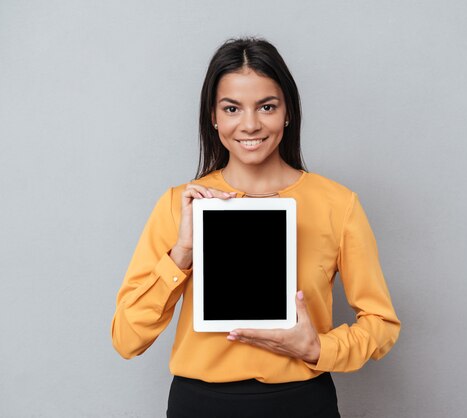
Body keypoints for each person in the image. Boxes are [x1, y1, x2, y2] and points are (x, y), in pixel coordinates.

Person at [111, 37, 401, 418]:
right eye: (232, 108)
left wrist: (317, 349)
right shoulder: (180, 204)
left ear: (287, 113)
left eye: (266, 106)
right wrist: (181, 254)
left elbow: (381, 324)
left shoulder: (337, 204)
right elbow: (127, 339)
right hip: (200, 405)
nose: (249, 124)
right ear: (213, 117)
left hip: (302, 402)